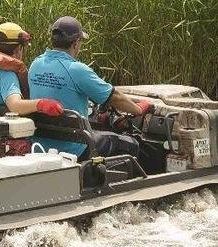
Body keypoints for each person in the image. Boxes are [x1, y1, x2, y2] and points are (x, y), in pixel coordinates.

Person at [28, 16, 153, 157]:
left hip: (41, 146)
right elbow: (115, 97)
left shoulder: (36, 64)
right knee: (131, 144)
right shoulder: (77, 70)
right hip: (75, 149)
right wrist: (138, 109)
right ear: (76, 43)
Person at [0, 22, 64, 117]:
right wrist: (41, 104)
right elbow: (15, 106)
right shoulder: (7, 76)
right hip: (0, 123)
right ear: (18, 49)